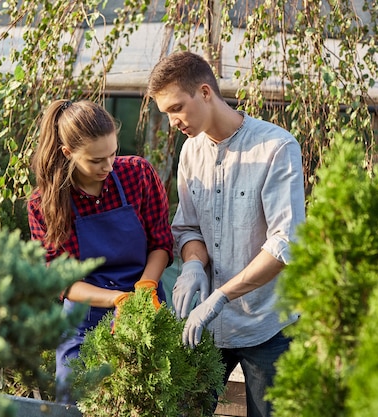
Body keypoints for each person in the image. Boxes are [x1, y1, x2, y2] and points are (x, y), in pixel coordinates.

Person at [146, 51, 306, 417]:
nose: (172, 122)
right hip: (203, 331)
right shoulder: (190, 152)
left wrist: (219, 296)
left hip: (266, 328)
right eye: (166, 114)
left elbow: (285, 244)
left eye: (176, 109)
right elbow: (188, 227)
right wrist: (192, 265)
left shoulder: (277, 148)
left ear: (205, 92)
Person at [27, 99, 174, 403]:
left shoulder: (138, 174)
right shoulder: (45, 204)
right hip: (84, 319)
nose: (107, 166)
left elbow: (160, 242)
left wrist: (144, 290)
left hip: (144, 308)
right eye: (96, 160)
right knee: (75, 404)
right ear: (68, 153)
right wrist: (116, 299)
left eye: (112, 153)